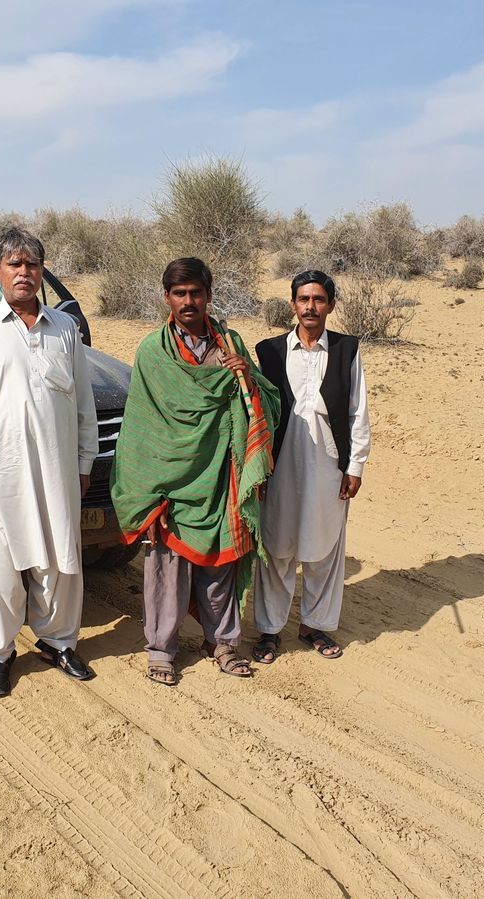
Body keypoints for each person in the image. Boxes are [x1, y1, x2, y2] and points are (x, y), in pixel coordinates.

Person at [111, 258, 280, 686]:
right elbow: (143, 430)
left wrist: (250, 381)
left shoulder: (231, 343)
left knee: (221, 568)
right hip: (170, 484)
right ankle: (161, 650)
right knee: (167, 571)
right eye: (180, 293)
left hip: (222, 477)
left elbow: (270, 404)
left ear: (208, 294)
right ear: (167, 297)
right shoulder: (153, 352)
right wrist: (150, 496)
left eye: (196, 293)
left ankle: (222, 643)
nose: (189, 301)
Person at [0, 228, 99, 698]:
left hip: (56, 469)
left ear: (41, 273)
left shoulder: (65, 330)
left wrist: (84, 460)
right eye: (14, 265)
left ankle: (58, 642)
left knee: (60, 563)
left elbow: (83, 405)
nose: (24, 273)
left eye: (32, 265)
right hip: (0, 470)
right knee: (4, 570)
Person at [251, 270, 371, 663]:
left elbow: (358, 413)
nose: (310, 307)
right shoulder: (268, 350)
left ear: (331, 305)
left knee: (324, 549)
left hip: (328, 465)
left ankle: (314, 625)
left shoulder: (346, 351)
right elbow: (256, 413)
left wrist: (354, 467)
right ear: (292, 305)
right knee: (278, 545)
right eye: (303, 299)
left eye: (319, 300)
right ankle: (269, 631)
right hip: (280, 465)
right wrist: (256, 469)